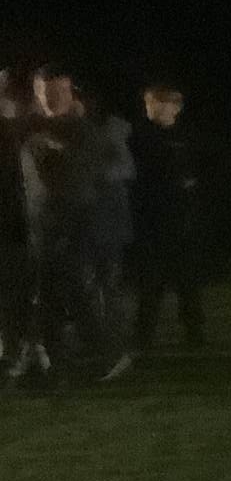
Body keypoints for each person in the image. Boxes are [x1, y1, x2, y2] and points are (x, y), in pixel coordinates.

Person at [14, 65, 125, 382]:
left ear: (69, 92)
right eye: (45, 91)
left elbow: (81, 175)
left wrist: (53, 147)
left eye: (59, 91)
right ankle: (52, 361)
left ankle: (104, 354)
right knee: (47, 294)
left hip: (73, 222)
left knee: (74, 290)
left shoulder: (81, 129)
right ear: (37, 93)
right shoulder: (30, 128)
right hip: (40, 224)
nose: (52, 97)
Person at [131, 81, 205, 351]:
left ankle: (195, 332)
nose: (155, 109)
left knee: (187, 281)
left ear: (176, 107)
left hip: (182, 220)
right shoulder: (139, 137)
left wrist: (191, 189)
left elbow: (199, 171)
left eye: (162, 104)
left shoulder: (187, 137)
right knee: (151, 284)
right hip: (152, 222)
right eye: (151, 104)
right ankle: (143, 337)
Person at [79, 85, 136, 340]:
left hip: (110, 215)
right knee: (88, 279)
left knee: (109, 279)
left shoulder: (116, 129)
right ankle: (96, 333)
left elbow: (127, 169)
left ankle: (113, 332)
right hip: (86, 216)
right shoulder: (76, 129)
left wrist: (100, 173)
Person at [0, 74, 33, 367]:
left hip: (14, 224)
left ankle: (16, 349)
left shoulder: (16, 131)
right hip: (14, 222)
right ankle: (14, 348)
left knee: (13, 291)